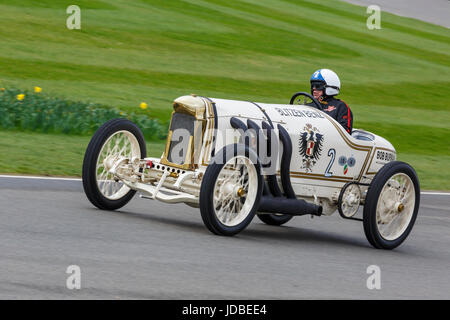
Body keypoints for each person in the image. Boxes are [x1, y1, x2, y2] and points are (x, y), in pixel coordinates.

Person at [308, 69, 353, 134]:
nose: (314, 89)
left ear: (329, 87)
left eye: (318, 86)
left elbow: (346, 133)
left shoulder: (340, 107)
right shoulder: (307, 106)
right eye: (312, 86)